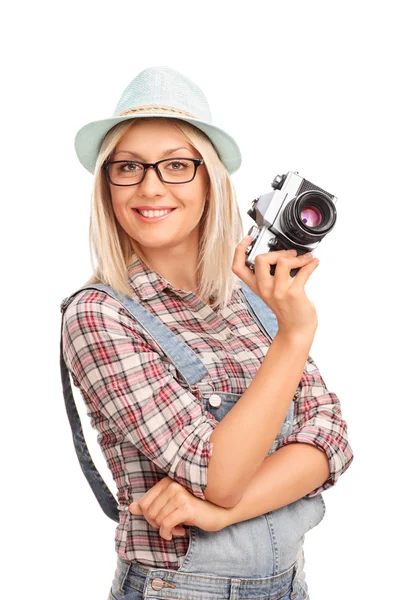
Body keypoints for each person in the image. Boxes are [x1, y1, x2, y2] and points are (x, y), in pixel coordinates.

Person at [60, 66, 354, 600]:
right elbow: (214, 470)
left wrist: (220, 513)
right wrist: (294, 335)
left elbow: (331, 440)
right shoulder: (99, 316)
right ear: (107, 184)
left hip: (291, 586)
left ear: (209, 179)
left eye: (176, 165)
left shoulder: (251, 298)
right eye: (128, 167)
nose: (151, 186)